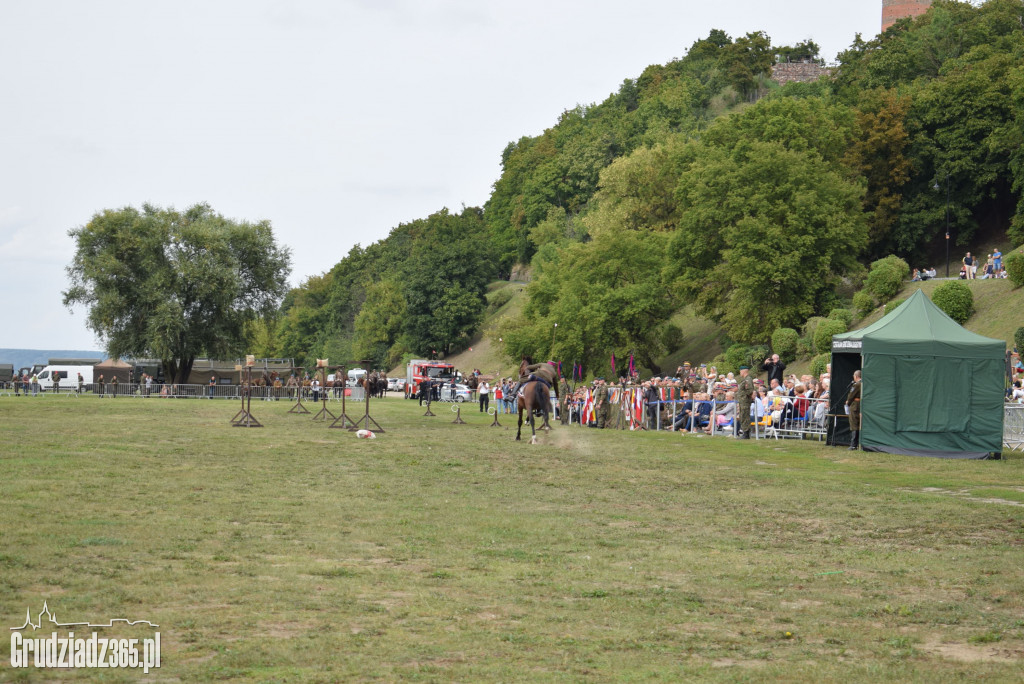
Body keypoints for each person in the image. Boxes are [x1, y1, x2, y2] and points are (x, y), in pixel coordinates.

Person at [736, 365, 755, 438]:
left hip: (745, 401)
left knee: (745, 416)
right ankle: (745, 432)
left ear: (743, 371)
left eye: (740, 371)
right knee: (742, 416)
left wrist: (745, 396)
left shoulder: (748, 379)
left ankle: (746, 433)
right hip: (742, 401)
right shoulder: (744, 379)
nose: (740, 372)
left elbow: (750, 390)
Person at [846, 370, 862, 450]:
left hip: (855, 405)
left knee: (854, 423)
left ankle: (853, 445)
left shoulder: (856, 385)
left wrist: (848, 403)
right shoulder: (864, 383)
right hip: (861, 405)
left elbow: (851, 395)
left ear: (856, 376)